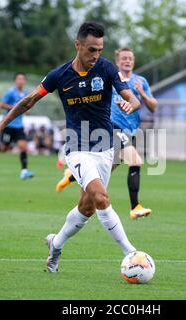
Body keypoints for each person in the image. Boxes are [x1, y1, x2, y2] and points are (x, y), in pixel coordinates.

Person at [0, 22, 141, 273]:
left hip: (106, 146)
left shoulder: (107, 69)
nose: (96, 55)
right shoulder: (59, 75)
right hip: (77, 147)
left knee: (87, 207)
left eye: (100, 49)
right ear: (77, 45)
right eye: (91, 49)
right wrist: (1, 126)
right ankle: (132, 253)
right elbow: (29, 101)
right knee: (101, 197)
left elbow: (129, 95)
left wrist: (131, 103)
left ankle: (55, 244)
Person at [55, 47, 157, 220]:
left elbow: (153, 107)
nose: (127, 61)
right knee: (135, 161)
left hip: (129, 131)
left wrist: (141, 94)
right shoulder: (109, 76)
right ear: (117, 61)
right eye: (124, 58)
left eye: (130, 58)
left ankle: (71, 176)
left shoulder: (141, 81)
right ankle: (135, 207)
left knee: (106, 170)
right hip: (112, 127)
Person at [0, 72, 35, 180]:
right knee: (4, 148)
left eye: (22, 79)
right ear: (15, 81)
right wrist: (14, 108)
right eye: (19, 79)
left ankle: (24, 171)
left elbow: (24, 106)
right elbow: (1, 104)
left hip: (19, 126)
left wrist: (25, 111)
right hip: (8, 125)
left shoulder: (24, 93)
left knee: (23, 147)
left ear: (24, 81)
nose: (20, 81)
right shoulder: (10, 92)